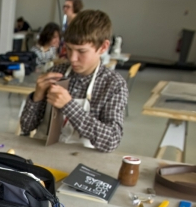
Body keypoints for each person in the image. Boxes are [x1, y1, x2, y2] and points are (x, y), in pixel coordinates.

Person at [19, 10, 128, 153]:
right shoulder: (57, 73)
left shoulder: (113, 85)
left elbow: (111, 141)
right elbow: (26, 127)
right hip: (44, 153)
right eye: (69, 49)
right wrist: (37, 97)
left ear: (103, 47)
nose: (72, 58)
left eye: (81, 51)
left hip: (84, 162)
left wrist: (69, 106)